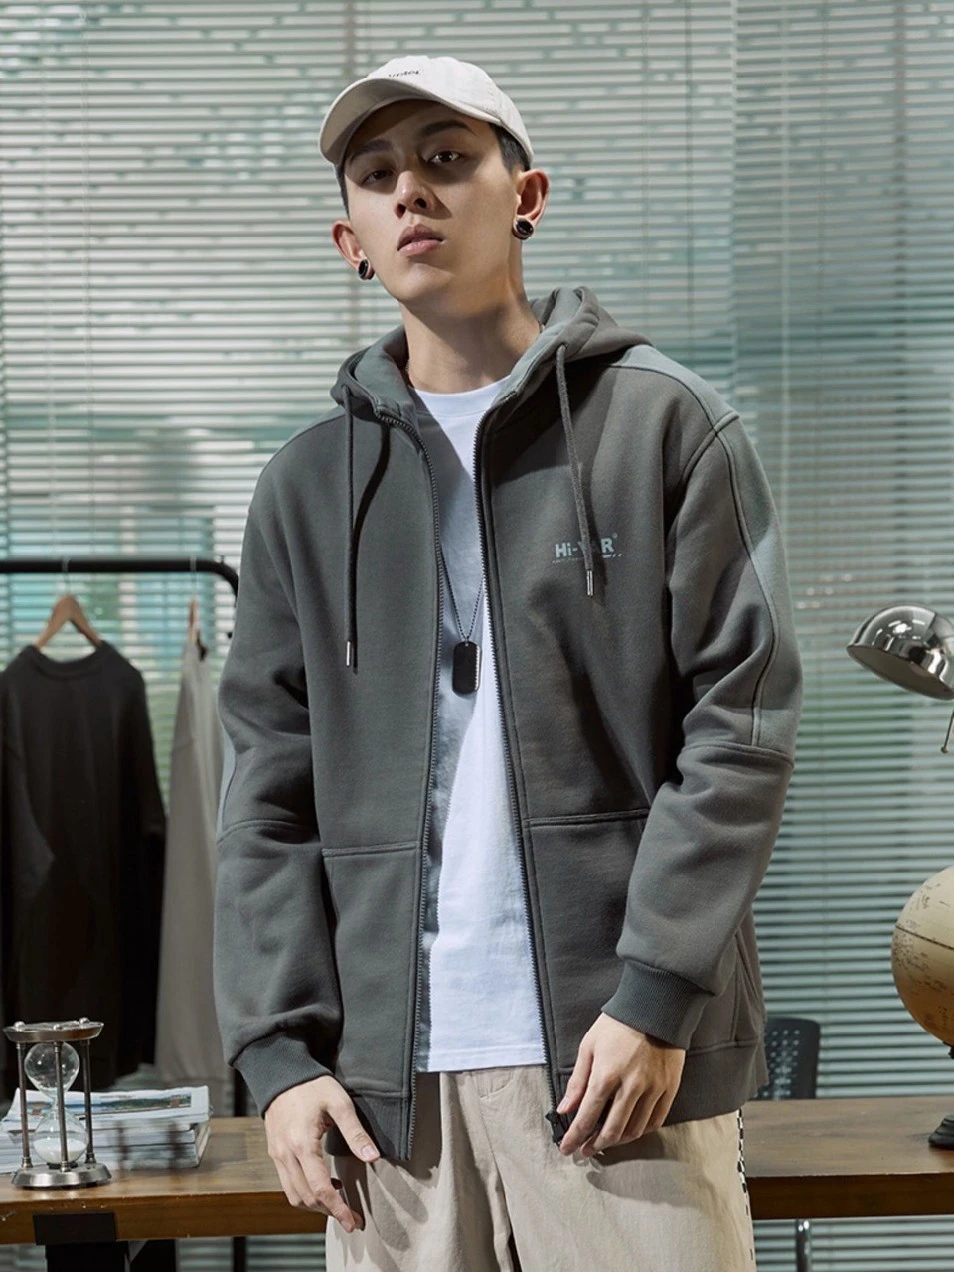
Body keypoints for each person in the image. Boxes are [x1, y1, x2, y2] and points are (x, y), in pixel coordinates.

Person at [213, 53, 803, 1271]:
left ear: (524, 196)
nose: (411, 191)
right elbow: (266, 793)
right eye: (378, 175)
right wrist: (280, 1057)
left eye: (445, 159)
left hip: (618, 1067)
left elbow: (739, 729)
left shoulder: (664, 425)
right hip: (383, 1100)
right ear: (351, 240)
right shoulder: (306, 489)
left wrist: (655, 994)